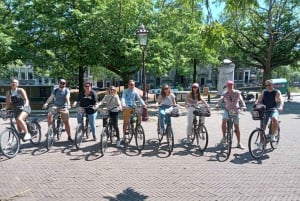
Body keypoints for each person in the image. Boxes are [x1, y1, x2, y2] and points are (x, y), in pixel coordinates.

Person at [216, 80, 247, 149]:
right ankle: (224, 137)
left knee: (237, 127)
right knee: (224, 120)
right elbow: (221, 99)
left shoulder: (237, 93)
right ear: (226, 86)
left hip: (235, 111)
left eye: (231, 85)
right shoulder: (225, 93)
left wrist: (244, 105)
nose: (230, 87)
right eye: (228, 85)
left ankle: (239, 143)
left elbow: (241, 100)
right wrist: (218, 104)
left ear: (233, 86)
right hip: (227, 110)